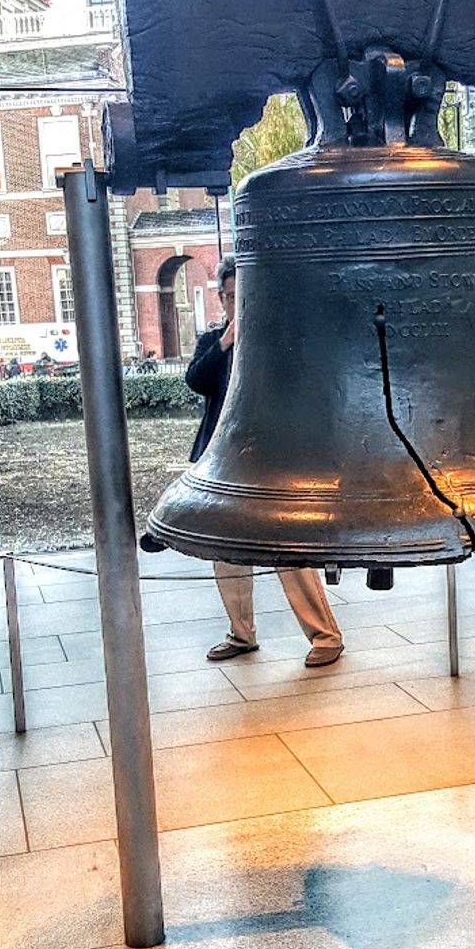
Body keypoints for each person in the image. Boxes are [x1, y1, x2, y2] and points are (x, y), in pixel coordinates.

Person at [186, 254, 344, 667]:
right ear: (221, 298)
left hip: (271, 460)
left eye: (246, 296)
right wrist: (226, 342)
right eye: (231, 297)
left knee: (286, 549)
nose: (238, 303)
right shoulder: (212, 341)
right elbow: (196, 380)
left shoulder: (278, 340)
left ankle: (325, 636)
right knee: (225, 551)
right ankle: (241, 633)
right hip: (223, 460)